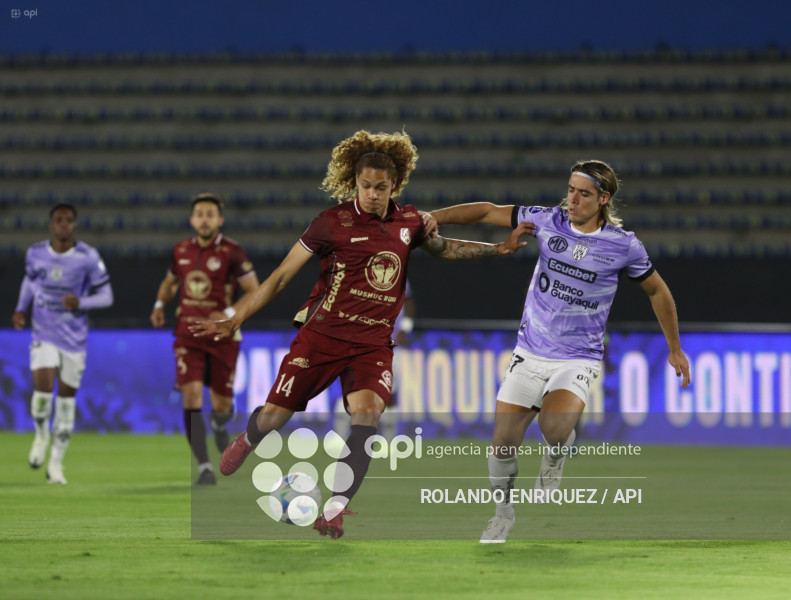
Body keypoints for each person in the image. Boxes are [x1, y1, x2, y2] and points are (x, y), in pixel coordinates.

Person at [190, 130, 532, 539]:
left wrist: (499, 249)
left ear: (395, 186)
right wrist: (235, 318)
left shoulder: (409, 224)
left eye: (381, 187)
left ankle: (335, 509)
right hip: (321, 338)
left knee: (367, 415)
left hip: (372, 345)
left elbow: (447, 249)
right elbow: (281, 277)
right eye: (365, 186)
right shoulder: (330, 223)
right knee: (274, 417)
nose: (372, 194)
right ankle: (249, 437)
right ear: (354, 183)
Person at [430, 159, 692, 543]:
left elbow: (657, 290)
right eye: (570, 189)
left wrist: (675, 348)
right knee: (502, 443)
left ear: (603, 199)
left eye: (583, 194)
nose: (572, 199)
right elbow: (487, 211)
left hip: (577, 357)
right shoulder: (546, 220)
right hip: (530, 351)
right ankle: (502, 515)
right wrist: (429, 216)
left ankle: (556, 454)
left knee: (554, 428)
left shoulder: (624, 245)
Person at [150, 193, 259, 485]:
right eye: (200, 213)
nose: (205, 219)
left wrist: (226, 314)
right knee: (192, 396)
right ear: (192, 219)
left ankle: (220, 425)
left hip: (223, 335)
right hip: (188, 334)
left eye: (210, 214)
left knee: (222, 405)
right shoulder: (181, 250)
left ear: (219, 220)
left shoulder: (233, 252)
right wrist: (160, 304)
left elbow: (254, 290)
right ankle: (204, 467)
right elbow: (171, 281)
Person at [12, 203, 114, 484]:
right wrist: (21, 308)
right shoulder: (35, 253)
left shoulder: (87, 257)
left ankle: (56, 464)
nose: (64, 224)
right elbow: (30, 282)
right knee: (43, 397)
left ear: (75, 225)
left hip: (74, 340)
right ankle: (42, 434)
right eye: (59, 220)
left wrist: (82, 301)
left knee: (66, 404)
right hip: (43, 334)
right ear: (51, 225)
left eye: (69, 220)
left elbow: (107, 296)